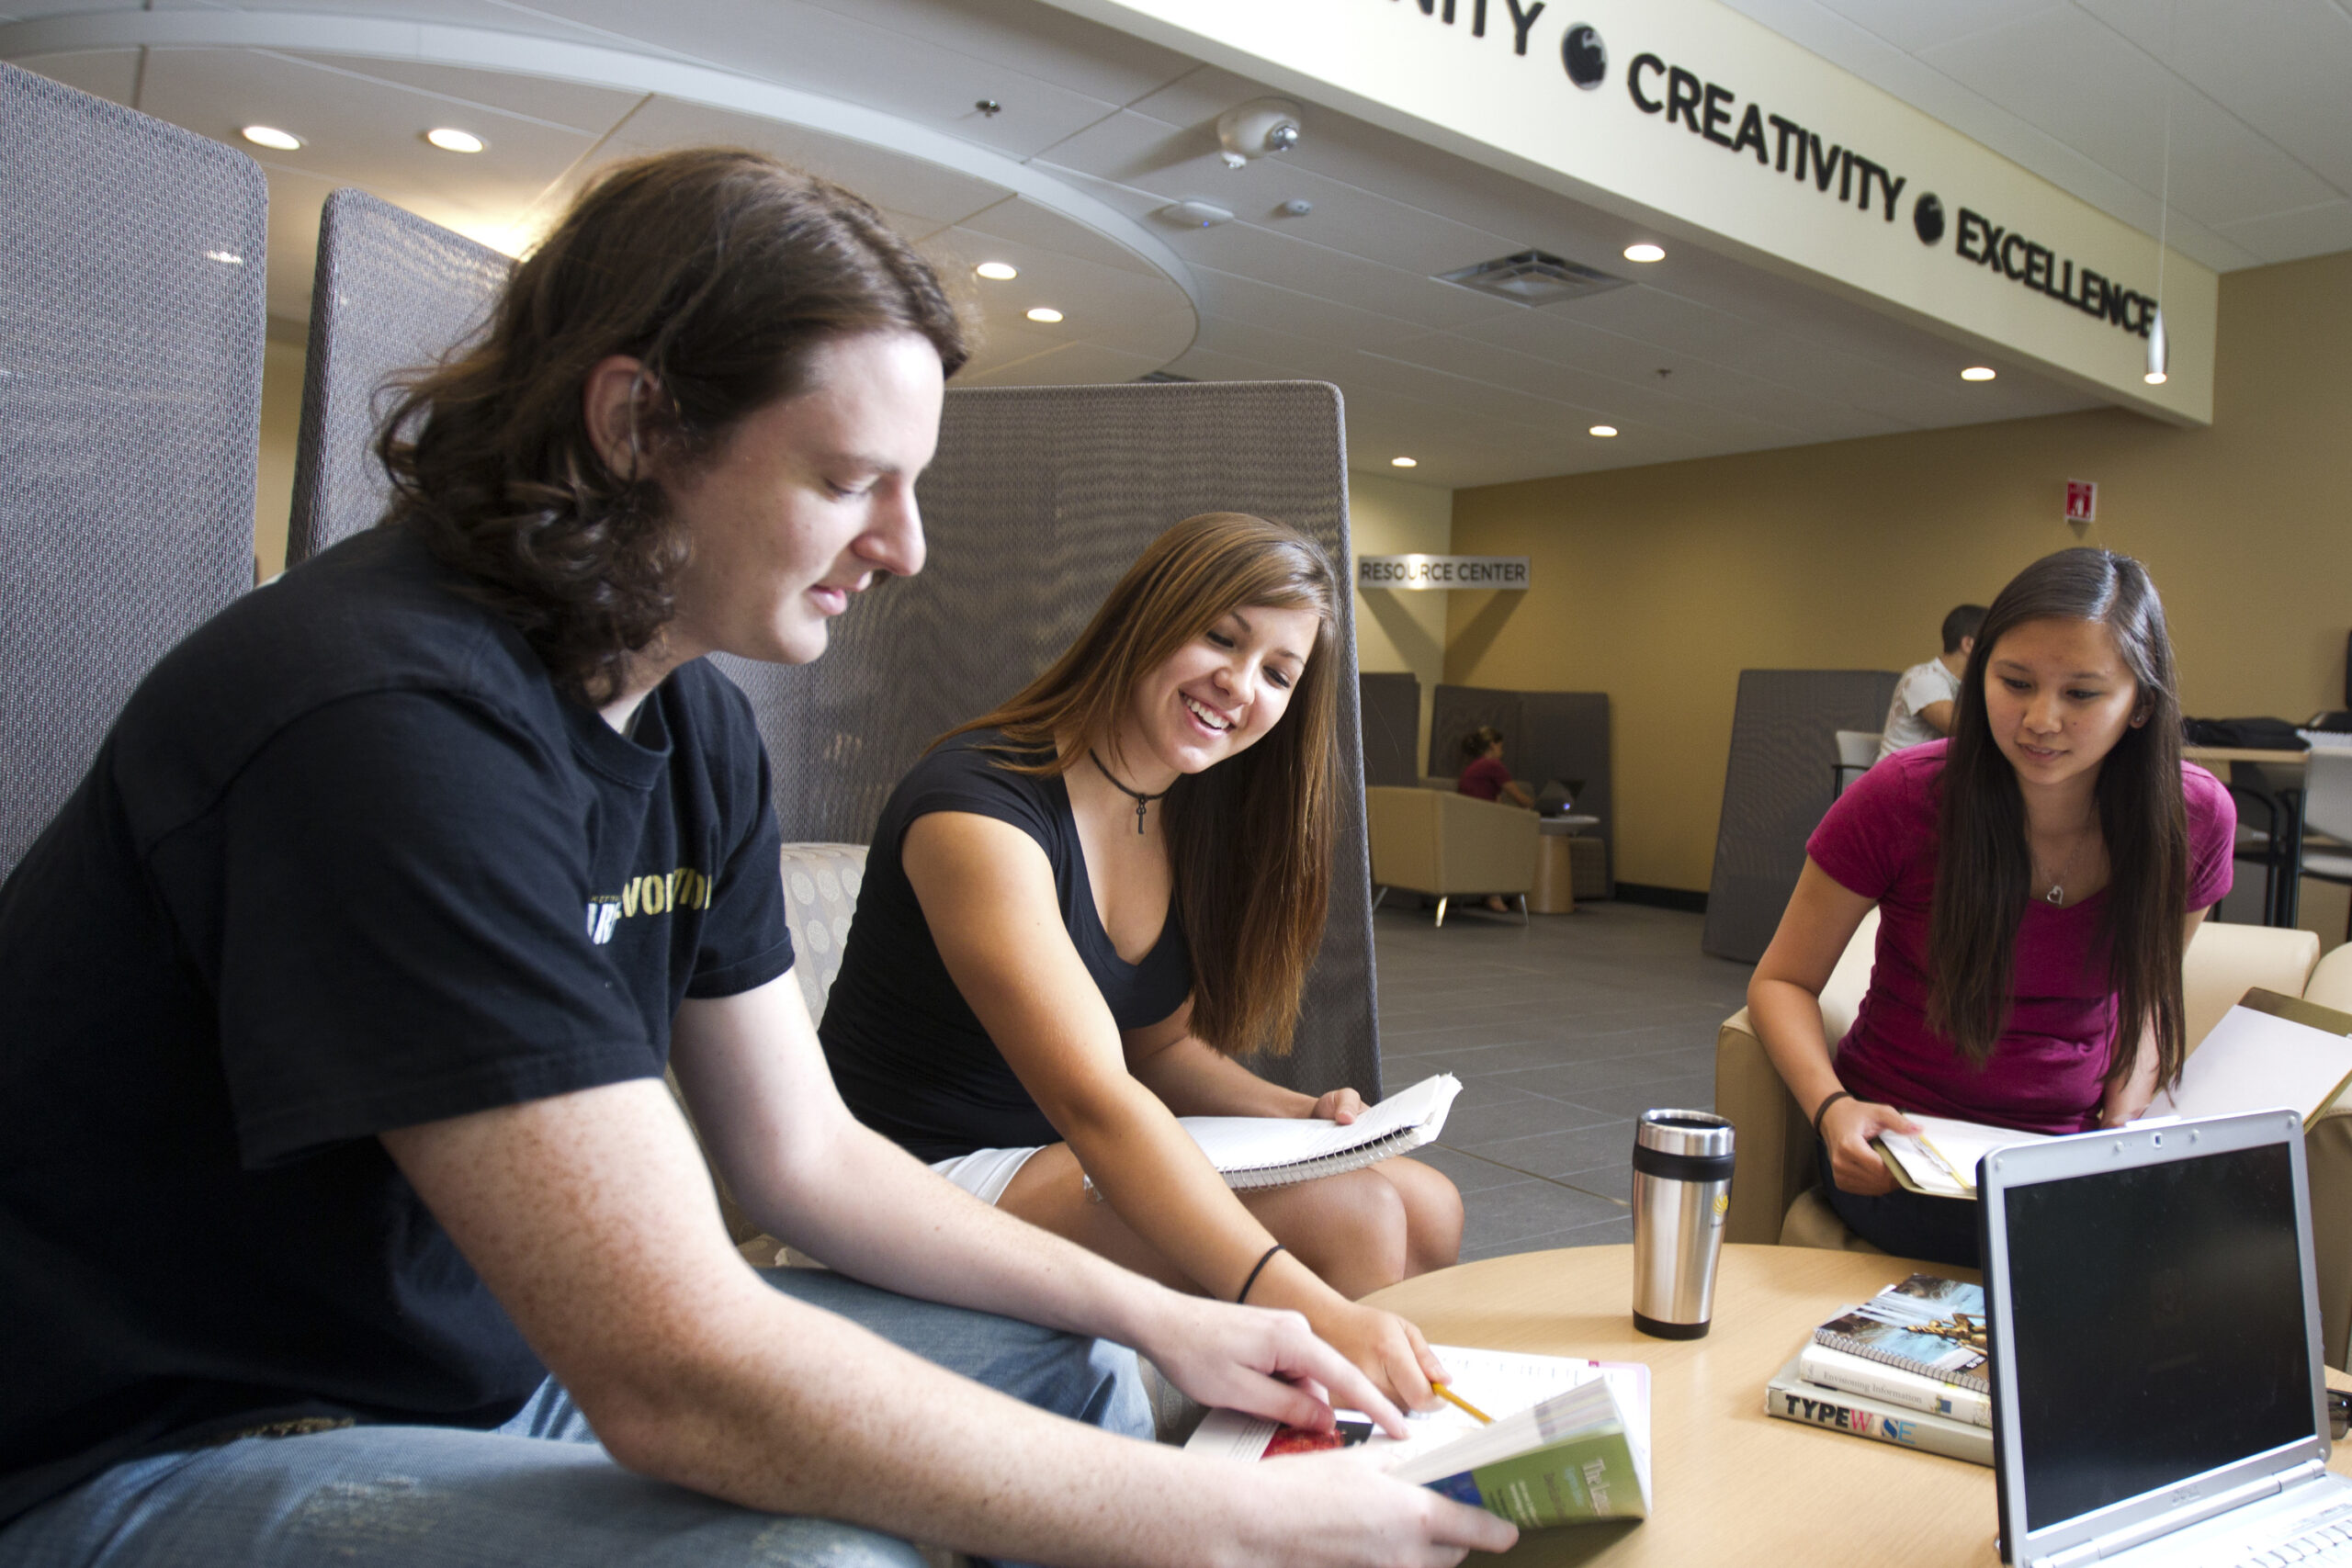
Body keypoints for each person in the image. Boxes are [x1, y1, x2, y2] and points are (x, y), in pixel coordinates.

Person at [0, 151, 1517, 1568]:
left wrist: (1180, 1321)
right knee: (813, 1554)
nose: (908, 544)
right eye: (854, 479)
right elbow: (670, 1372)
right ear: (638, 425)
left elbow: (802, 1158)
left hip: (504, 1377)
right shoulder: (383, 719)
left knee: (1077, 1351)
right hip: (178, 1445)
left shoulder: (691, 726)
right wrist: (1229, 1518)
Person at [820, 513, 1466, 1414]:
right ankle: (1308, 1490)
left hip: (1052, 1147)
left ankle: (1354, 1439)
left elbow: (1154, 1051)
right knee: (1350, 1216)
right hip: (914, 1174)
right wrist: (1315, 1310)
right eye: (1221, 638)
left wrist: (1309, 1114)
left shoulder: (1175, 809)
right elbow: (1097, 1098)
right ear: (1149, 617)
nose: (1239, 686)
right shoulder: (976, 810)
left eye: (1278, 674)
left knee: (1426, 1201)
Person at [1747, 549, 2233, 1266]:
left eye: (2083, 694)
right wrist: (1833, 1108)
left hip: (2066, 1152)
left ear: (2143, 704)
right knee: (2084, 1255)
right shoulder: (1902, 798)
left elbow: (2151, 991)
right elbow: (1779, 980)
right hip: (1907, 1148)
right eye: (2015, 682)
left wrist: (2131, 1097)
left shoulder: (2191, 817)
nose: (2041, 718)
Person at [1875, 604, 1985, 761]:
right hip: (1899, 778)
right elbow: (1961, 729)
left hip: (1929, 776)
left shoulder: (1965, 685)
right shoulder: (1923, 678)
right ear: (1968, 644)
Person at [1455, 726, 1535, 809]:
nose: (1503, 752)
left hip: (1468, 813)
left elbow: (1497, 803)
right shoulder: (1493, 765)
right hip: (1481, 815)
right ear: (1493, 745)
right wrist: (1538, 808)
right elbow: (1520, 798)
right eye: (1501, 747)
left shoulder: (1474, 766)